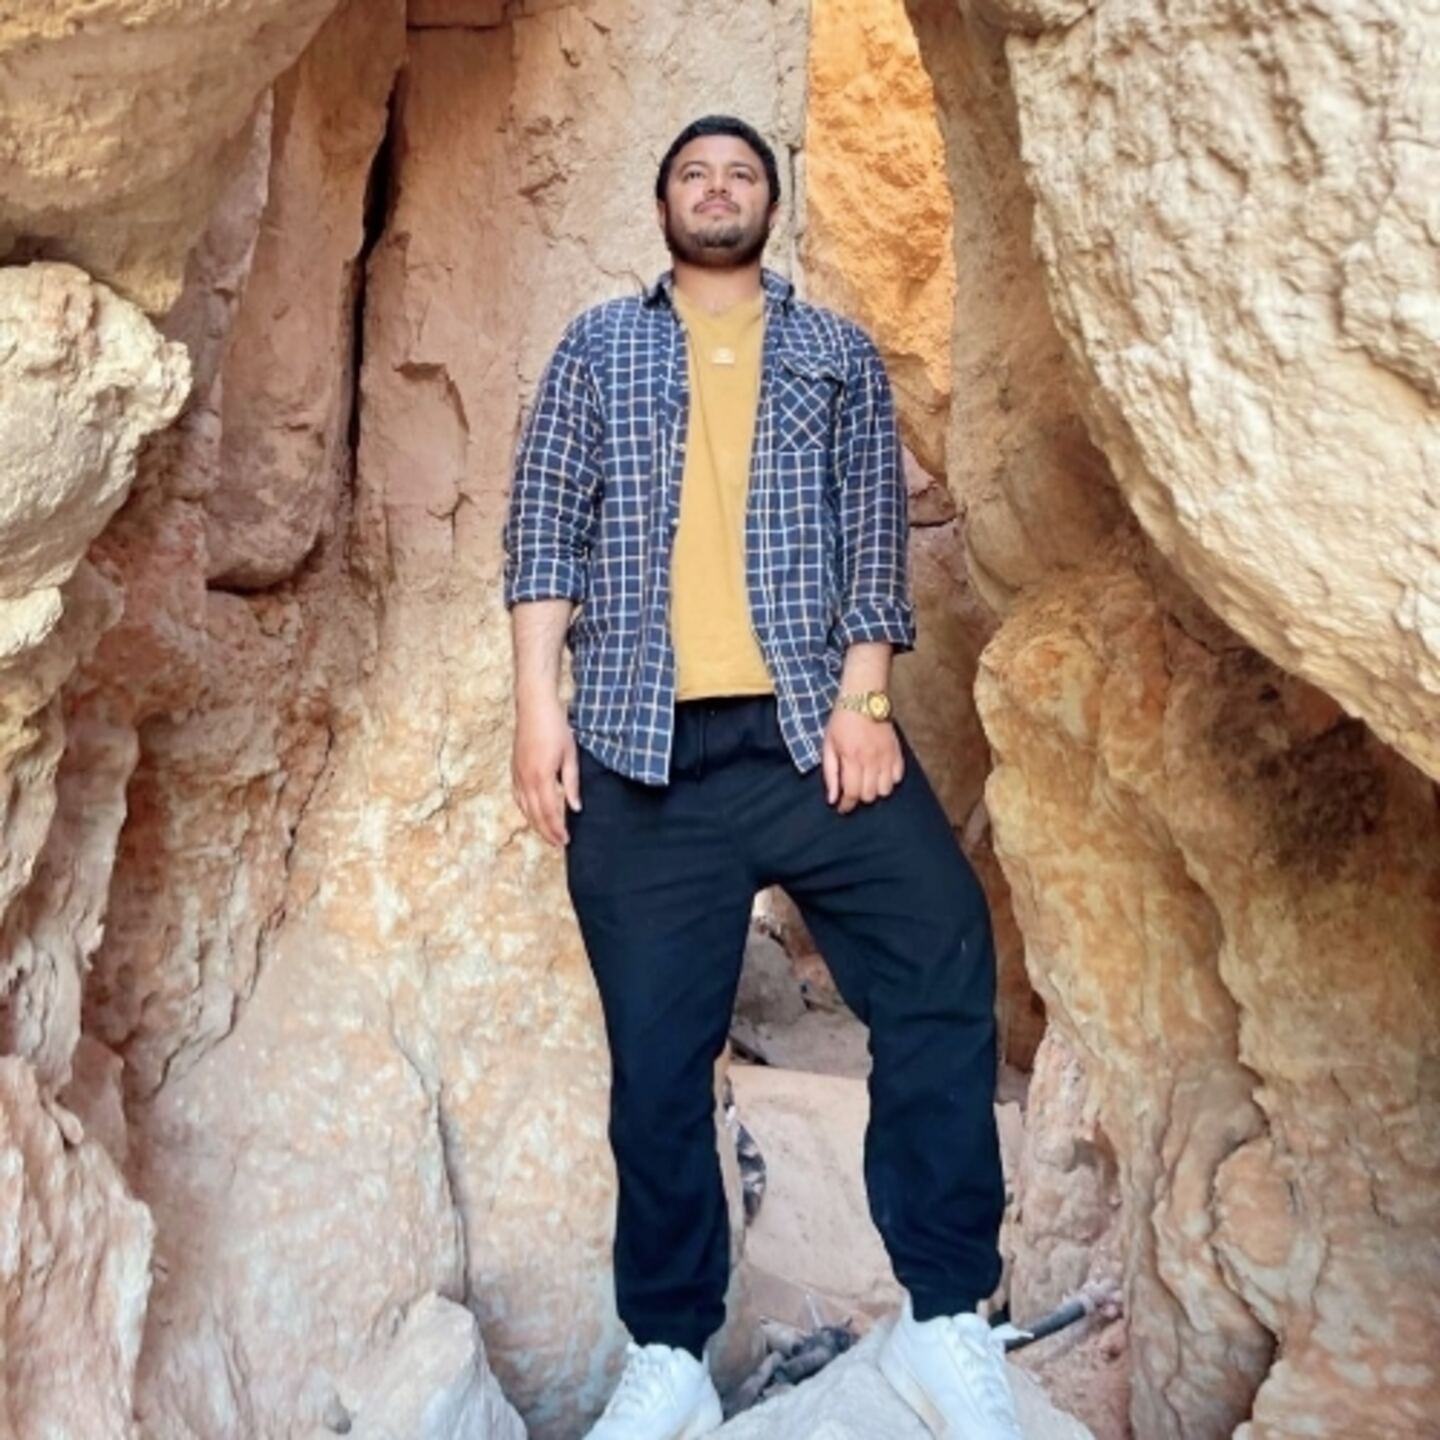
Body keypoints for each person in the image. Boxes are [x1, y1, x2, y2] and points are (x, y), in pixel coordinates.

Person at [502, 114, 1022, 1440]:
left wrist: (866, 702)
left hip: (807, 736)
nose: (718, 189)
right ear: (662, 207)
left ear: (769, 206)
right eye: (694, 174)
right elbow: (543, 528)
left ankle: (945, 1317)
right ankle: (671, 1355)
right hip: (640, 752)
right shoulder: (597, 348)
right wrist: (537, 709)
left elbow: (871, 535)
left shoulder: (833, 349)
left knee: (940, 948)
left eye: (740, 174)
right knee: (656, 1061)